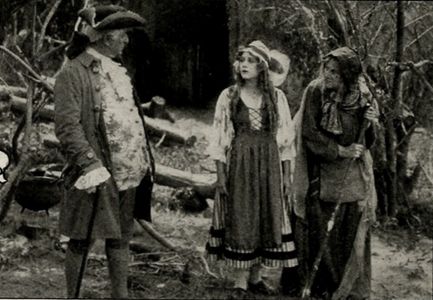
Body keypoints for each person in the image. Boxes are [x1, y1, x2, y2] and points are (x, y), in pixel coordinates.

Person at [54, 5, 154, 298]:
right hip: (95, 170)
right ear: (105, 37)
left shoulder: (119, 71)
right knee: (80, 239)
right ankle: (72, 295)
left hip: (128, 170)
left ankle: (119, 295)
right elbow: (67, 127)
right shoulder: (73, 73)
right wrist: (89, 164)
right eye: (122, 35)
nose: (126, 41)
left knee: (121, 237)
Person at [284, 46, 378, 299]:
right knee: (317, 230)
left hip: (351, 175)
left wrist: (370, 122)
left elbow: (368, 142)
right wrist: (339, 150)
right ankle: (316, 285)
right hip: (320, 171)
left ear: (348, 75)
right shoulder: (316, 91)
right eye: (326, 69)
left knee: (346, 233)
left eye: (335, 72)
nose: (328, 75)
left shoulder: (362, 96)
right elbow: (309, 133)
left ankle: (343, 286)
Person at [206, 40, 298, 297]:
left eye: (251, 61)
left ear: (262, 67)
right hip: (241, 164)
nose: (244, 65)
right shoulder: (230, 96)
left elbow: (285, 139)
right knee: (242, 214)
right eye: (242, 60)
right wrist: (221, 174)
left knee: (266, 214)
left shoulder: (276, 97)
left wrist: (287, 177)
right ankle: (240, 282)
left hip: (269, 164)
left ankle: (257, 277)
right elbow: (220, 136)